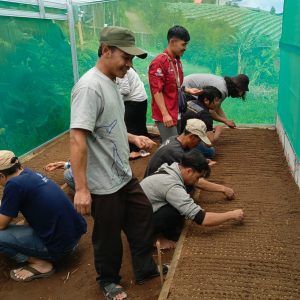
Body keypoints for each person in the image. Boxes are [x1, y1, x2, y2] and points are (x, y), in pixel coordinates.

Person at [70, 26, 167, 300]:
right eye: (126, 57)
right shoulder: (89, 87)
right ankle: (108, 281)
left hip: (122, 174)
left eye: (132, 59)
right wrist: (81, 188)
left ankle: (145, 268)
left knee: (141, 215)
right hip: (102, 182)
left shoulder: (112, 82)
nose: (129, 64)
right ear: (106, 51)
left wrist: (133, 137)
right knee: (108, 235)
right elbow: (78, 137)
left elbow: (107, 126)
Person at [0, 150, 87, 282]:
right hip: (74, 236)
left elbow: (1, 224)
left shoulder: (13, 185)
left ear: (1, 175)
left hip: (61, 248)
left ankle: (41, 264)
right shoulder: (30, 173)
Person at [140, 149, 244, 249]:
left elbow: (198, 182)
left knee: (182, 202)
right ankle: (153, 238)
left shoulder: (175, 168)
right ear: (189, 171)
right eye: (198, 177)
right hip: (138, 225)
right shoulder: (172, 186)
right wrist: (232, 215)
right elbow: (202, 219)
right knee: (176, 211)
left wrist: (223, 189)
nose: (197, 180)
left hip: (140, 212)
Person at [144, 118, 235, 200]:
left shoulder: (174, 139)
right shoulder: (176, 152)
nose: (199, 144)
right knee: (191, 181)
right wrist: (223, 189)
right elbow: (197, 182)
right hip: (153, 191)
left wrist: (202, 161)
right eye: (199, 140)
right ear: (191, 136)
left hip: (155, 182)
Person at [148, 25, 202, 143]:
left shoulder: (177, 60)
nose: (185, 48)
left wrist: (187, 90)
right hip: (166, 114)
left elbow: (173, 85)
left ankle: (168, 161)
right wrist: (165, 114)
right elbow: (156, 90)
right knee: (173, 145)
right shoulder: (159, 63)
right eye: (183, 44)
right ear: (173, 42)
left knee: (172, 144)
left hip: (176, 111)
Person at [183, 73, 250, 128]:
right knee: (203, 113)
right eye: (242, 91)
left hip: (187, 87)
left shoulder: (224, 86)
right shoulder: (222, 89)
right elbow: (211, 111)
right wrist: (225, 121)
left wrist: (227, 121)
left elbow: (217, 106)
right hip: (186, 89)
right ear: (237, 88)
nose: (241, 94)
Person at [181, 86, 224, 159]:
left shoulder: (190, 101)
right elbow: (210, 143)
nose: (218, 103)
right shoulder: (205, 115)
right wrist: (218, 131)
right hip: (187, 141)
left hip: (178, 135)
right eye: (216, 100)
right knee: (211, 151)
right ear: (206, 100)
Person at [116, 67, 150, 160]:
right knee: (140, 124)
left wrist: (113, 92)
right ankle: (145, 146)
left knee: (129, 125)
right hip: (141, 98)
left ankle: (135, 151)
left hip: (134, 100)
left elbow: (125, 90)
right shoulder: (127, 68)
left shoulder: (120, 70)